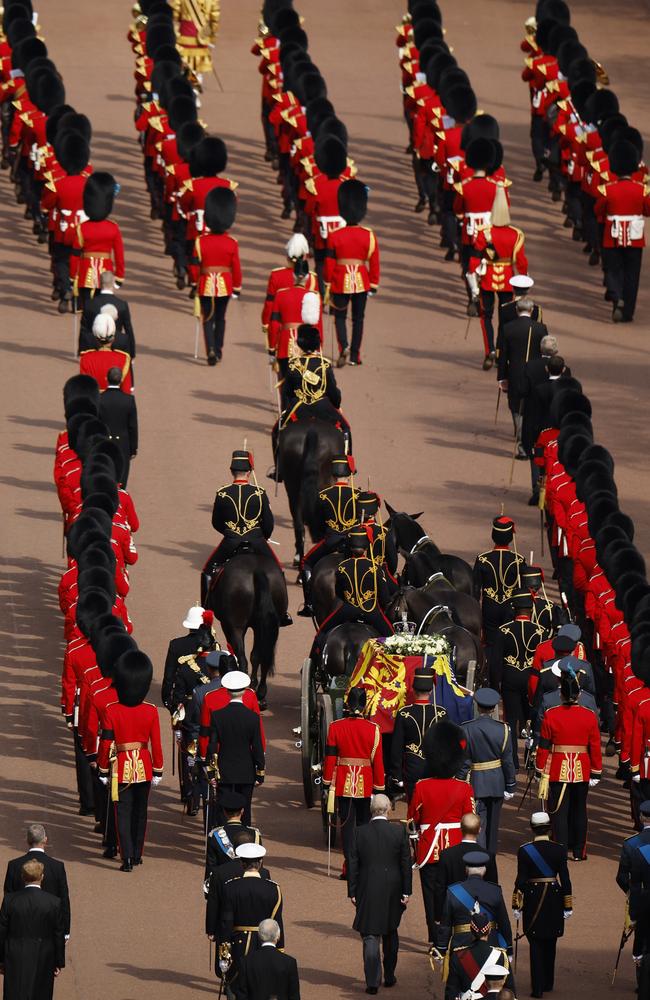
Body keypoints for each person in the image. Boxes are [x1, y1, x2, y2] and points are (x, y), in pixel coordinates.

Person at [408, 720, 475, 944]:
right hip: (457, 848)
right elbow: (471, 820)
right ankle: (456, 934)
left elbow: (412, 819)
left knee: (430, 896)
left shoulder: (421, 786)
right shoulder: (464, 788)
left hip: (429, 849)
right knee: (456, 892)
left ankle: (436, 939)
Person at [96, 649, 163, 871]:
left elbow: (106, 743)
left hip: (120, 768)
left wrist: (103, 769)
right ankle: (136, 854)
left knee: (122, 814)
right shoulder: (151, 711)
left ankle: (125, 858)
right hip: (144, 766)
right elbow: (156, 743)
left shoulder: (111, 710)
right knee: (140, 813)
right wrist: (158, 770)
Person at [203, 450, 289, 620]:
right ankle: (283, 611)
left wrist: (230, 533)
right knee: (278, 570)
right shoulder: (260, 492)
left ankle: (206, 610)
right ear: (249, 472)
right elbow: (268, 523)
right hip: (257, 541)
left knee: (207, 570)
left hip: (231, 541)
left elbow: (216, 522)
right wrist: (262, 535)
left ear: (231, 471)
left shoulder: (222, 493)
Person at [348, 794, 411, 995]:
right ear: (388, 809)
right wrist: (406, 891)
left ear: (371, 810)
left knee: (370, 934)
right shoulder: (399, 832)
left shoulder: (359, 832)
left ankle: (373, 981)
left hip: (367, 887)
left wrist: (352, 890)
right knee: (391, 931)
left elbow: (353, 864)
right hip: (393, 888)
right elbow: (405, 864)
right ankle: (390, 975)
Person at [535, 671, 602, 860]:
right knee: (580, 811)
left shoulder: (551, 715)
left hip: (557, 768)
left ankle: (561, 851)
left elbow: (544, 746)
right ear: (578, 695)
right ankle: (579, 851)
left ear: (561, 695)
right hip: (582, 768)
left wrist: (540, 769)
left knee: (559, 813)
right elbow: (595, 746)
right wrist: (596, 771)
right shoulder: (589, 716)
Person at [322, 687, 385, 875]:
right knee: (364, 823)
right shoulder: (374, 729)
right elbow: (378, 761)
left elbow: (330, 758)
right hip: (365, 783)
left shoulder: (336, 726)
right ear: (365, 706)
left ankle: (349, 865)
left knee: (346, 824)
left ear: (348, 705)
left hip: (343, 781)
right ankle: (363, 864)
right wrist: (379, 787)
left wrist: (326, 782)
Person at [512, 811, 572, 999]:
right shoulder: (560, 849)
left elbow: (520, 880)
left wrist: (516, 904)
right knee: (551, 941)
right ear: (549, 827)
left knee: (535, 943)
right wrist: (568, 904)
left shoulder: (524, 850)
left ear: (532, 827)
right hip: (554, 897)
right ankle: (548, 982)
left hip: (532, 897)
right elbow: (566, 880)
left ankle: (537, 988)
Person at [468, 186, 527, 370]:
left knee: (486, 317)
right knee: (506, 319)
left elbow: (474, 259)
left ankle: (490, 352)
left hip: (487, 280)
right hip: (508, 280)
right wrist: (523, 283)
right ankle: (502, 353)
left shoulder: (483, 232)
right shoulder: (516, 234)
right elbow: (521, 262)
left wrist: (473, 284)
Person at [310, 527, 394, 659]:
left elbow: (339, 594)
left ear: (350, 548)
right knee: (393, 639)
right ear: (367, 548)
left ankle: (315, 663)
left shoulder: (342, 568)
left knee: (322, 632)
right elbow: (385, 598)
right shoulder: (375, 568)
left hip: (347, 610)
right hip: (371, 612)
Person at [217, 843, 284, 999]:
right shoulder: (274, 889)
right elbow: (277, 924)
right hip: (265, 946)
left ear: (242, 863)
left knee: (238, 989)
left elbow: (226, 923)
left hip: (238, 947)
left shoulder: (231, 887)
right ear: (260, 863)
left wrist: (224, 956)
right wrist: (279, 951)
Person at [325, 178, 380, 367]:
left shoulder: (335, 236)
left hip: (340, 279)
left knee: (339, 316)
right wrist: (373, 283)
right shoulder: (369, 235)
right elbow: (374, 261)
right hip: (362, 280)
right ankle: (355, 355)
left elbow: (329, 263)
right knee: (358, 319)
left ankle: (344, 347)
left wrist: (328, 283)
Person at [594, 139, 650, 323]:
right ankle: (628, 312)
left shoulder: (608, 190)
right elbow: (648, 210)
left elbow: (598, 211)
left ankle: (617, 298)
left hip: (612, 235)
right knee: (632, 274)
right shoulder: (641, 189)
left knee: (613, 269)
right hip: (635, 237)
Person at [299, 454, 361, 617]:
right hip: (355, 544)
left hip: (331, 541)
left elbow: (316, 524)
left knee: (305, 562)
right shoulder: (359, 495)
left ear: (333, 475)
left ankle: (309, 604)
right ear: (349, 475)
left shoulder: (323, 495)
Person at [490, 591, 544, 770]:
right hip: (533, 679)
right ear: (531, 610)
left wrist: (494, 686)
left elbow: (495, 662)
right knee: (532, 719)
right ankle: (530, 757)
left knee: (511, 721)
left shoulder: (503, 631)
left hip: (510, 678)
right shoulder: (540, 632)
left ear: (514, 609)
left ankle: (513, 760)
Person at [205, 670, 265, 827]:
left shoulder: (217, 716)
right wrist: (260, 772)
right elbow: (257, 747)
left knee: (223, 809)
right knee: (245, 809)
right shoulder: (252, 717)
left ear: (227, 691)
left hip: (223, 769)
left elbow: (212, 745)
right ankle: (244, 843)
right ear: (245, 691)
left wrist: (210, 771)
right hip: (246, 770)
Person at [460, 688, 516, 853]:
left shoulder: (466, 729)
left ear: (478, 707)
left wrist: (461, 780)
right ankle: (490, 856)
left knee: (478, 822)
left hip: (476, 781)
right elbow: (508, 761)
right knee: (493, 824)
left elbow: (464, 760)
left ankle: (479, 853)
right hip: (497, 782)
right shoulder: (504, 729)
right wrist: (510, 784)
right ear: (493, 708)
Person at [0, 859, 65, 999]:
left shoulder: (10, 900)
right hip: (44, 955)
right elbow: (58, 933)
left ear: (23, 877)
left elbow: (2, 931)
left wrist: (1, 959)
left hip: (15, 955)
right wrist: (59, 961)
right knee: (41, 993)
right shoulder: (54, 902)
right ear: (42, 877)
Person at [194, 185, 242, 364]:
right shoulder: (231, 243)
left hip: (206, 283)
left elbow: (194, 266)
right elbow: (236, 267)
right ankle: (219, 349)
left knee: (207, 318)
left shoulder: (201, 241)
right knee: (220, 318)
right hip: (225, 284)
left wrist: (194, 283)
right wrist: (237, 287)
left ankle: (211, 349)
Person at [437, 850, 512, 959]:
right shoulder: (495, 890)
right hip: (490, 944)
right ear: (484, 871)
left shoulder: (453, 891)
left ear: (466, 870)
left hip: (461, 946)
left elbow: (446, 924)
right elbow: (504, 922)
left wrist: (441, 948)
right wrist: (509, 948)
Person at [497, 297, 547, 459]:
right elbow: (545, 352)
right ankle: (529, 441)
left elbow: (503, 356)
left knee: (516, 406)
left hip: (515, 373)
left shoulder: (508, 328)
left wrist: (502, 377)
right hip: (535, 373)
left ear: (517, 310)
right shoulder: (540, 328)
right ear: (531, 311)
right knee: (532, 407)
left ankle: (521, 442)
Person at [3, 824, 71, 938]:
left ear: (27, 840)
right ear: (45, 840)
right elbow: (64, 900)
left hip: (20, 928)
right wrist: (66, 931)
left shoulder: (14, 865)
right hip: (48, 927)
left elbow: (9, 898)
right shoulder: (57, 867)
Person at [390, 660, 443, 801]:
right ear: (431, 691)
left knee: (413, 809)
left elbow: (396, 747)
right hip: (435, 769)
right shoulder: (441, 713)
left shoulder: (403, 713)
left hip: (412, 769)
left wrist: (397, 775)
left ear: (413, 690)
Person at [70, 171, 125, 307]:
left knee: (86, 310)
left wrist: (72, 277)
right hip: (105, 274)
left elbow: (75, 256)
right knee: (103, 307)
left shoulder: (81, 228)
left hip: (85, 273)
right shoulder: (113, 228)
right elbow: (119, 256)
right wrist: (119, 276)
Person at [434, 813, 499, 924]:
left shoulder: (446, 854)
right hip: (480, 914)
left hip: (453, 912)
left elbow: (440, 888)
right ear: (479, 830)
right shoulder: (488, 855)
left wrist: (438, 915)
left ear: (461, 829)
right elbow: (493, 888)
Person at [473, 516, 527, 650]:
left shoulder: (482, 559)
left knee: (490, 645)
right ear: (510, 537)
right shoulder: (519, 560)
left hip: (489, 608)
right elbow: (524, 589)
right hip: (510, 608)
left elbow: (475, 590)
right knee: (509, 644)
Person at [261, 233, 316, 350]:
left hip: (283, 330)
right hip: (305, 333)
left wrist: (265, 322)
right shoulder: (312, 278)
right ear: (305, 256)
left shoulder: (276, 275)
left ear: (288, 256)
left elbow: (269, 303)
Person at [445, 910, 513, 1000]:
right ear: (488, 931)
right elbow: (510, 990)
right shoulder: (501, 956)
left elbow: (451, 992)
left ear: (471, 931)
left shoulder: (458, 955)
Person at [205, 789, 262, 883]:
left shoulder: (215, 835)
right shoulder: (254, 834)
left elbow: (211, 868)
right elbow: (258, 864)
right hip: (249, 883)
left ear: (224, 812)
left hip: (223, 883)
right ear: (242, 811)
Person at [239, 918, 300, 1000]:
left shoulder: (246, 962)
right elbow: (294, 996)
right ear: (278, 936)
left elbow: (241, 996)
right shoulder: (289, 962)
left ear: (259, 936)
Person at [79, 270, 136, 357]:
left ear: (100, 283)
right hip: (117, 346)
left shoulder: (89, 304)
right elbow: (129, 330)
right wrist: (132, 354)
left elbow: (84, 330)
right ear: (113, 282)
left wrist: (82, 350)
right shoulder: (122, 304)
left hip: (94, 346)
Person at [161, 604, 205, 711]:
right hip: (206, 697)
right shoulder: (213, 645)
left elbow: (169, 675)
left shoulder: (176, 644)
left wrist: (166, 699)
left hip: (184, 697)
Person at [98, 367, 138, 486]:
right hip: (123, 444)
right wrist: (133, 448)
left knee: (104, 474)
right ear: (121, 380)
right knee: (121, 478)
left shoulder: (99, 398)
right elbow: (132, 426)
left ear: (106, 379)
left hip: (103, 443)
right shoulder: (128, 400)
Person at [79, 314, 133, 394]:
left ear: (95, 337)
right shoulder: (123, 358)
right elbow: (126, 391)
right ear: (113, 337)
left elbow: (84, 389)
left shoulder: (86, 358)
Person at [617, 800, 650, 893]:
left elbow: (621, 877)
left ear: (641, 817)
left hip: (639, 899)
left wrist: (633, 895)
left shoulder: (631, 843)